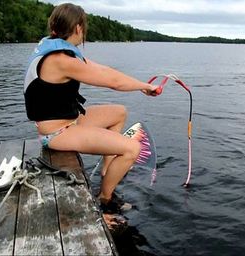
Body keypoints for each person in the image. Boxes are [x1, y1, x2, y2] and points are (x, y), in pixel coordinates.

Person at [23, 3, 159, 225]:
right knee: (132, 148)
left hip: (70, 120)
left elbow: (105, 71)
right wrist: (144, 86)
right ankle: (105, 199)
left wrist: (141, 84)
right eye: (83, 28)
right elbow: (113, 83)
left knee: (119, 112)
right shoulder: (61, 61)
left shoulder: (55, 49)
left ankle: (107, 172)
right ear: (78, 28)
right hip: (58, 132)